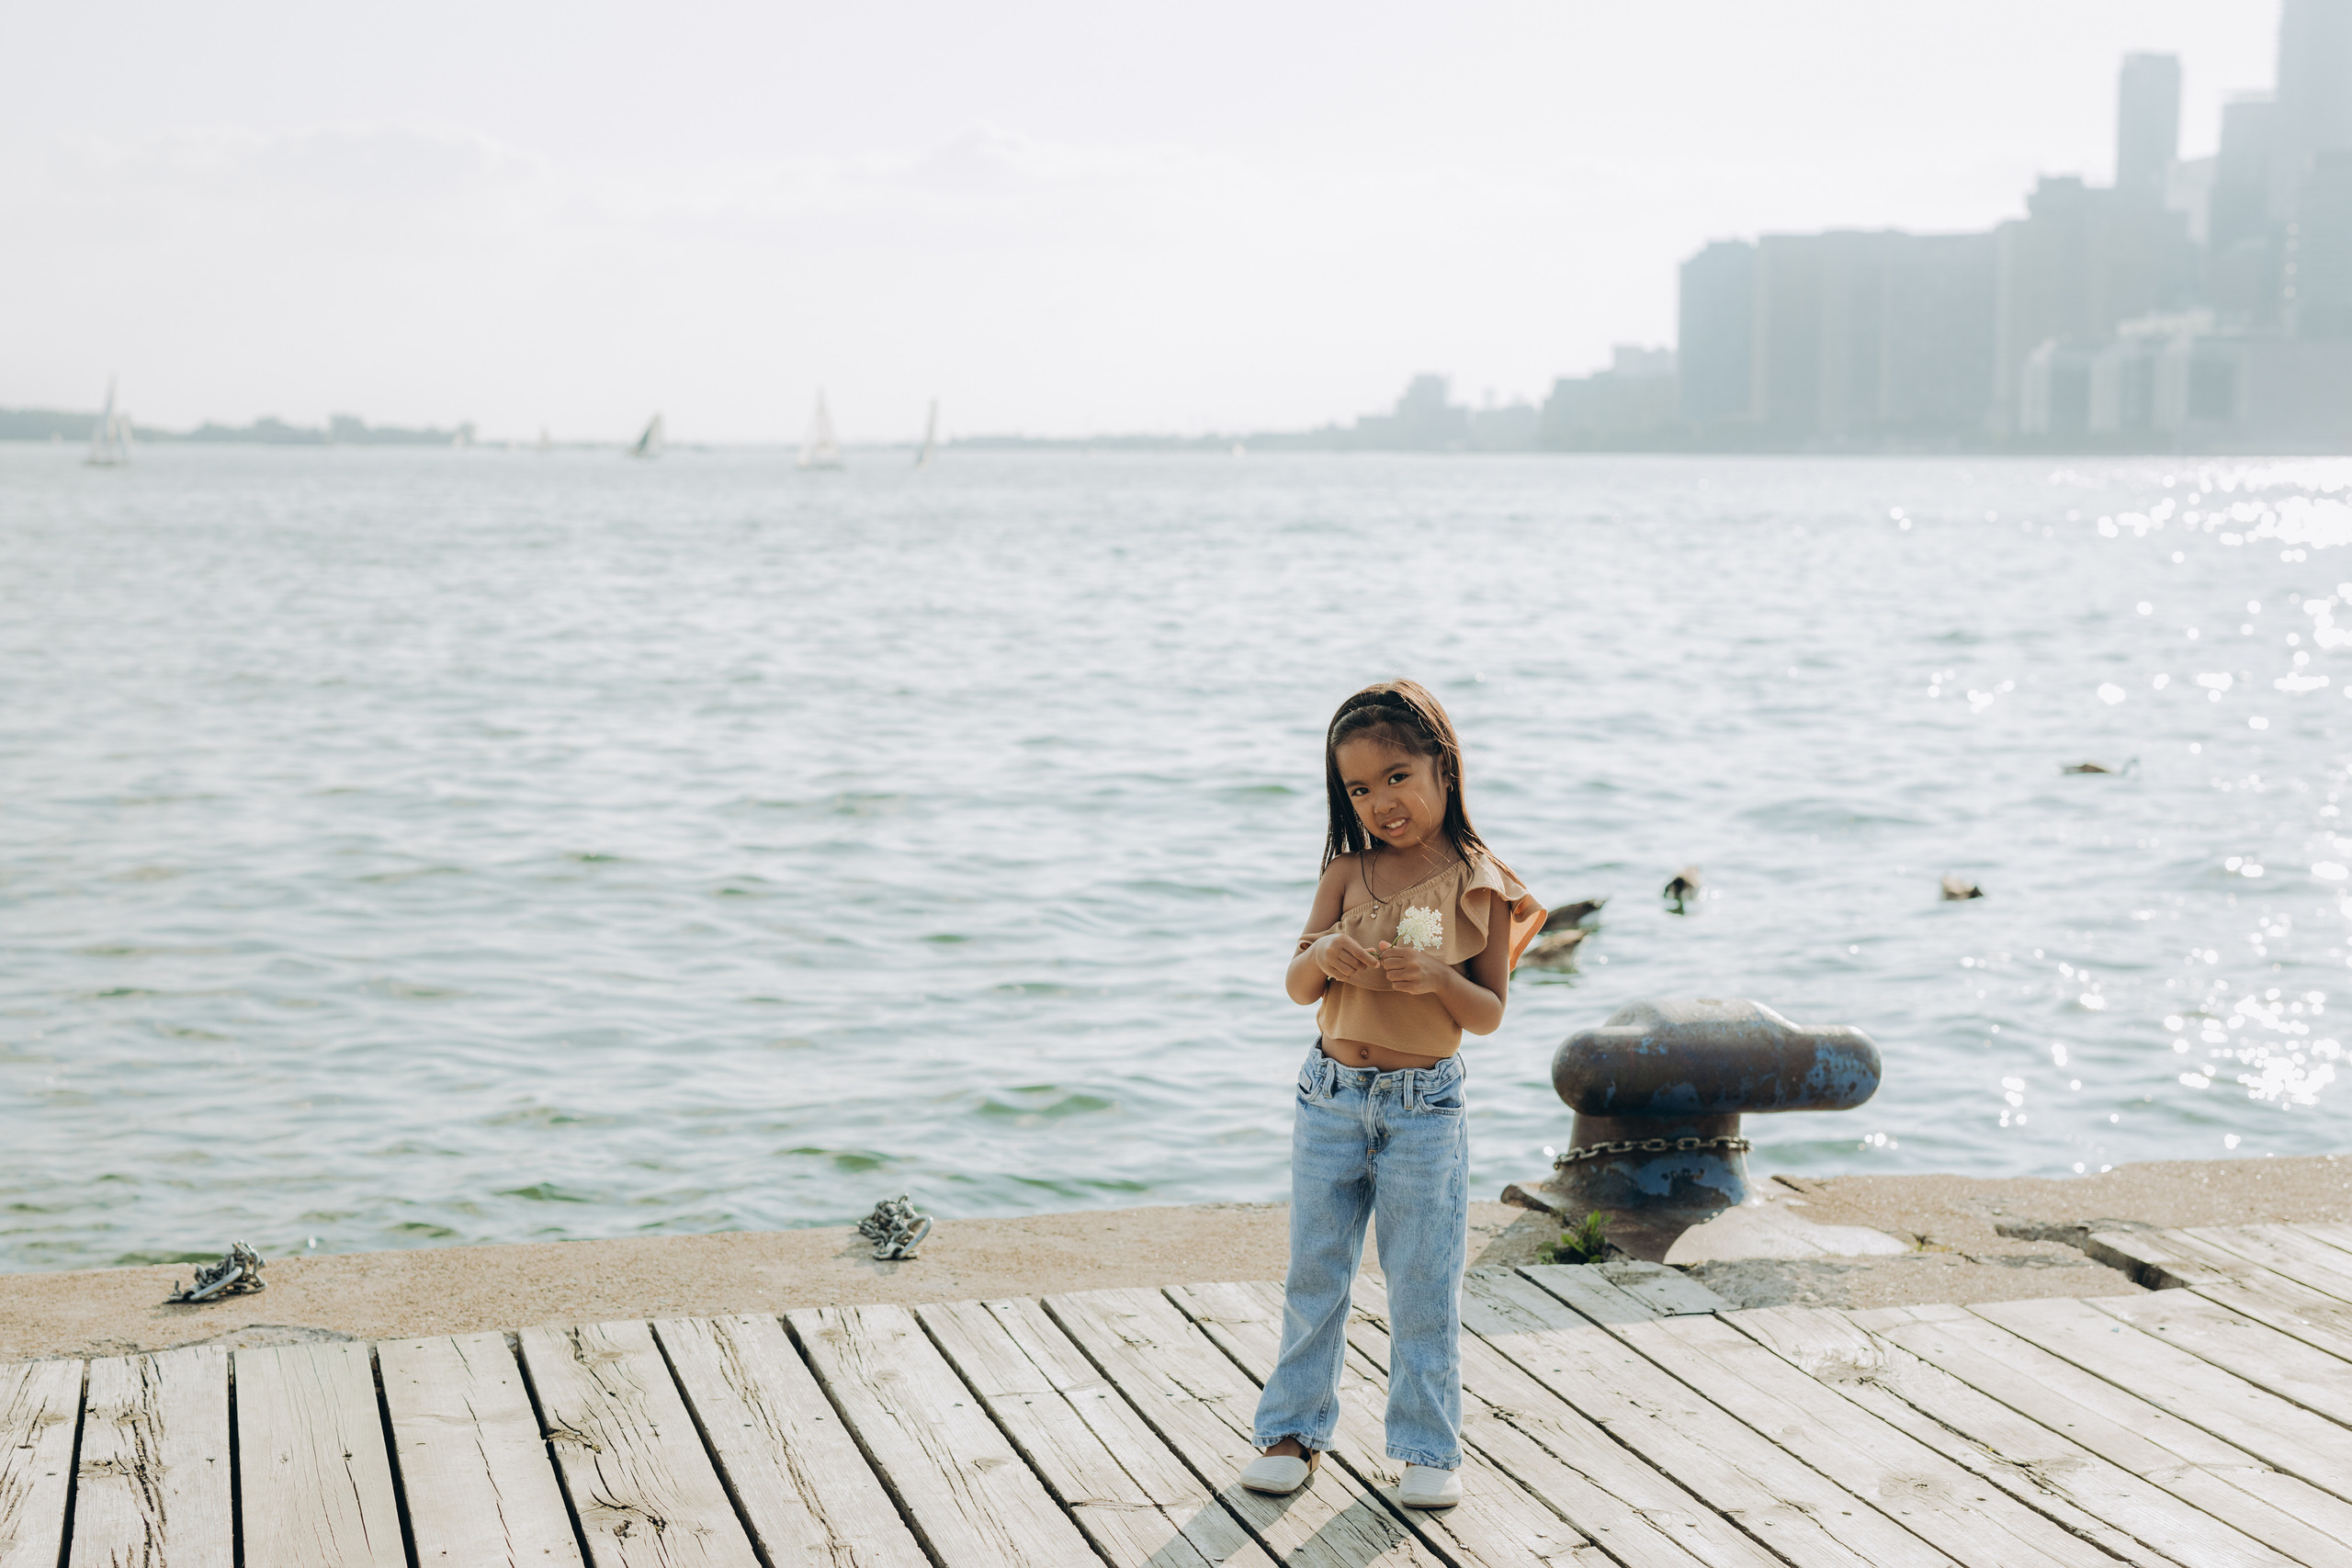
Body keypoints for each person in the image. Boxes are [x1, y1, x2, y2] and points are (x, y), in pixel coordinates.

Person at [1242, 679, 1543, 1510]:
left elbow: (1486, 1015)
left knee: (1421, 1278)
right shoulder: (1347, 871)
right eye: (1360, 788)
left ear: (1444, 767)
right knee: (1317, 1270)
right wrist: (1327, 952)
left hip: (1423, 1108)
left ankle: (1425, 1444)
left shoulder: (1482, 882)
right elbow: (1298, 983)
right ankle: (1293, 1432)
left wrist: (1442, 977)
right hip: (1330, 1094)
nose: (1382, 802)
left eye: (1398, 777)